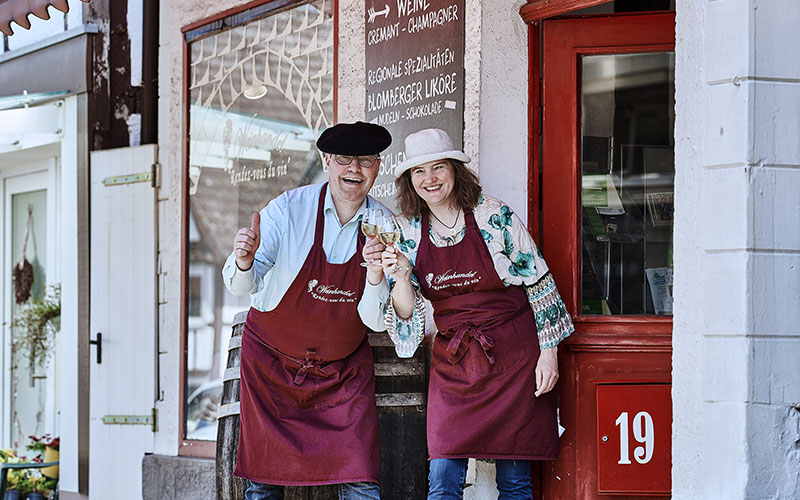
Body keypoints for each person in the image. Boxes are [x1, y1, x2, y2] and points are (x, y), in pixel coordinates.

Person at [381, 128, 574, 500]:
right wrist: (403, 276)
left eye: (439, 167)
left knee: (515, 484)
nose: (430, 179)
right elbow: (406, 314)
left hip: (514, 361)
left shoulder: (493, 215)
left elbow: (539, 282)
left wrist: (548, 354)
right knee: (442, 478)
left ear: (455, 170)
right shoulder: (407, 232)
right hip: (454, 365)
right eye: (419, 172)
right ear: (409, 181)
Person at [222, 121, 392, 500]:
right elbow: (242, 286)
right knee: (264, 481)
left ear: (378, 166)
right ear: (327, 161)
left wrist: (377, 276)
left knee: (361, 476)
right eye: (345, 159)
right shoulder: (288, 210)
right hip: (272, 368)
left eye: (365, 160)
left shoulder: (385, 226)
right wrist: (245, 261)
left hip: (343, 373)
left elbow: (377, 320)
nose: (354, 170)